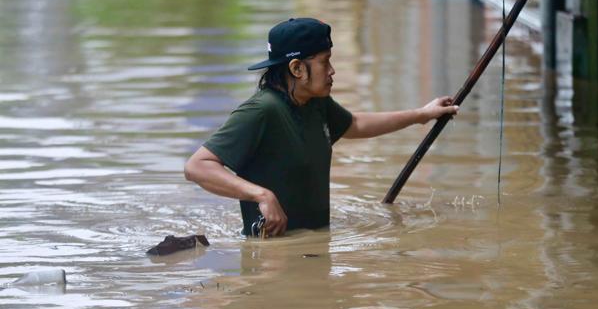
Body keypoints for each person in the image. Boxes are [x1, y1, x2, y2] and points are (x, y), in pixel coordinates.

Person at [184, 18, 458, 237]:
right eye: (324, 61)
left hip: (315, 245)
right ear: (297, 68)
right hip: (273, 257)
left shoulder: (316, 104)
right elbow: (197, 166)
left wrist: (422, 114)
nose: (332, 71)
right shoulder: (262, 110)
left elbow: (356, 124)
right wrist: (261, 195)